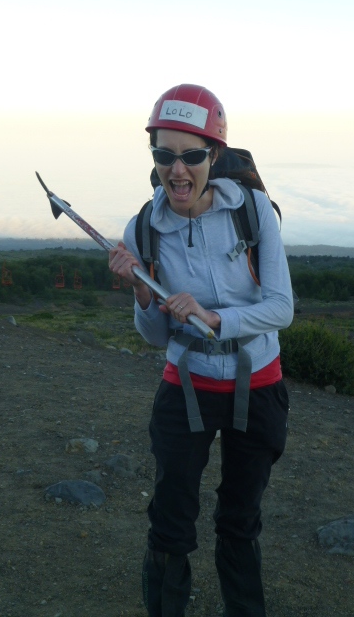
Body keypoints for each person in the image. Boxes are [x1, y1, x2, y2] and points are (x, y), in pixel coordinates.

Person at [108, 83, 294, 617]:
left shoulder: (253, 211)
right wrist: (142, 293)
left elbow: (281, 308)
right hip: (185, 386)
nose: (177, 170)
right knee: (170, 517)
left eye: (191, 155)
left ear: (214, 154)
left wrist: (216, 318)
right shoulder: (144, 229)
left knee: (240, 517)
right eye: (163, 154)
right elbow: (156, 336)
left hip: (257, 383)